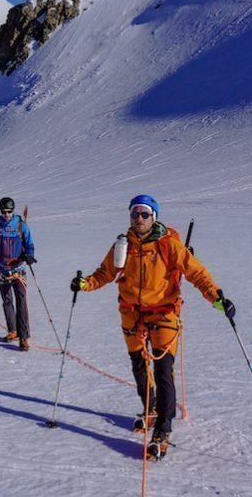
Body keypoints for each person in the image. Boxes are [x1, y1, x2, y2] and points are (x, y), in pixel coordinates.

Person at [71, 194, 235, 459]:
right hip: (131, 315)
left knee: (163, 370)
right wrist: (85, 284)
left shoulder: (169, 245)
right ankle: (150, 409)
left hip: (164, 315)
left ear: (154, 217)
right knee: (138, 365)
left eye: (144, 214)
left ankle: (162, 429)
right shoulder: (122, 246)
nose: (139, 219)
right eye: (134, 214)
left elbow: (196, 273)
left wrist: (216, 297)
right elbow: (105, 273)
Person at [0, 197, 36, 351]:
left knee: (21, 301)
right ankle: (13, 331)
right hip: (1, 269)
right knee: (7, 300)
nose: (6, 215)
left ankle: (24, 337)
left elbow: (29, 244)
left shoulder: (21, 226)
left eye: (9, 212)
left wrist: (28, 255)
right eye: (4, 212)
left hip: (18, 269)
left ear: (13, 210)